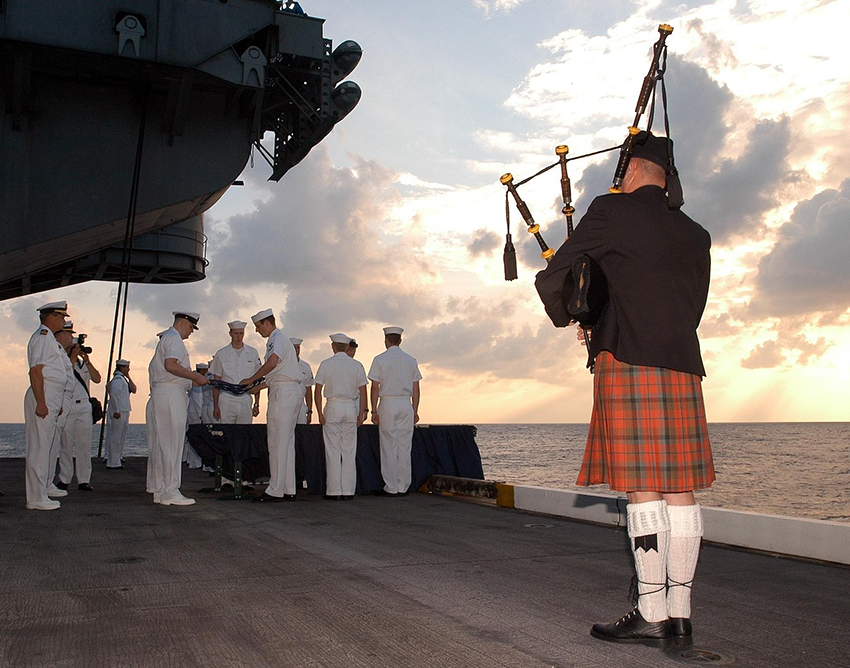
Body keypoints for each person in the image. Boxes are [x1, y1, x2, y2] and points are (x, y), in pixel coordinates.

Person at [535, 131, 713, 648]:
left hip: (627, 357)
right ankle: (680, 615)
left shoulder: (610, 212)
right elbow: (691, 305)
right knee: (680, 488)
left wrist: (578, 315)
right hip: (682, 362)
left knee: (642, 487)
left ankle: (652, 612)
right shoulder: (696, 234)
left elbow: (556, 276)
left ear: (632, 170)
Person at [146, 311, 209, 506]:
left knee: (160, 445)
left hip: (161, 394)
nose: (191, 332)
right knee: (172, 445)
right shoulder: (174, 339)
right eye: (191, 328)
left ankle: (159, 489)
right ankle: (171, 491)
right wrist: (195, 376)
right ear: (183, 323)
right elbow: (171, 366)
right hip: (171, 395)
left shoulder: (166, 339)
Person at [241, 309, 302, 502]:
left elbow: (272, 363)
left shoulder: (276, 338)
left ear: (266, 323)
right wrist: (253, 387)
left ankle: (275, 490)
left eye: (258, 327)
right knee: (286, 442)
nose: (258, 331)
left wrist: (251, 378)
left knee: (276, 442)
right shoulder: (281, 340)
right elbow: (274, 376)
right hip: (287, 390)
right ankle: (288, 487)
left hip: (283, 395)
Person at [24, 301, 73, 510]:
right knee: (40, 447)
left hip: (51, 394)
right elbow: (36, 371)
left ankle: (42, 490)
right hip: (43, 393)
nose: (63, 320)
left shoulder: (48, 339)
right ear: (51, 317)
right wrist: (42, 402)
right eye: (61, 317)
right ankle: (36, 497)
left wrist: (56, 401)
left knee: (45, 445)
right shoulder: (43, 337)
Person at [368, 326, 422, 496]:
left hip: (388, 402)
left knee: (388, 445)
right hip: (405, 403)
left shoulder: (380, 359)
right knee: (404, 446)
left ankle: (391, 486)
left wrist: (374, 410)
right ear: (400, 341)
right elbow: (416, 388)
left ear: (386, 341)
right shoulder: (410, 360)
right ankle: (403, 486)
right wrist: (415, 409)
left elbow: (375, 387)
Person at [314, 333, 368, 499]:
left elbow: (317, 390)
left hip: (333, 406)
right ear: (347, 347)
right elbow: (363, 390)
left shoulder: (326, 364)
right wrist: (362, 412)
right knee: (349, 450)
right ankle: (348, 491)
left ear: (333, 346)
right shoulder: (357, 365)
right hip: (350, 406)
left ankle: (334, 491)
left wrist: (319, 413)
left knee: (333, 449)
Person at [58, 325, 103, 488]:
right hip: (68, 406)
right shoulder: (63, 361)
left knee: (84, 446)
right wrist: (71, 358)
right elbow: (64, 376)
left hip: (84, 407)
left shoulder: (83, 365)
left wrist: (87, 361)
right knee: (66, 446)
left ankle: (84, 480)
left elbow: (97, 378)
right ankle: (65, 478)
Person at [210, 320, 262, 424]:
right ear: (230, 334)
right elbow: (216, 381)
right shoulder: (221, 353)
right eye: (236, 333)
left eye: (241, 333)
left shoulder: (252, 352)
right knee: (227, 433)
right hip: (226, 399)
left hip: (245, 397)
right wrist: (216, 405)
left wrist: (256, 404)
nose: (239, 336)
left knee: (245, 433)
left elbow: (257, 380)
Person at [104, 359, 135, 470]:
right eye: (127, 367)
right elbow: (114, 393)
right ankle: (113, 462)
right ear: (122, 368)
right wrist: (116, 410)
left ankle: (116, 459)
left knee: (119, 436)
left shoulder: (121, 379)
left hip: (123, 410)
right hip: (120, 411)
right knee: (115, 436)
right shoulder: (118, 380)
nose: (128, 369)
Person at [290, 337, 314, 424]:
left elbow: (308, 390)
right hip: (287, 404)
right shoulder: (282, 365)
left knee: (301, 433)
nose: (296, 350)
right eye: (294, 347)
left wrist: (309, 411)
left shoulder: (306, 366)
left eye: (298, 347)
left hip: (301, 405)